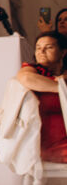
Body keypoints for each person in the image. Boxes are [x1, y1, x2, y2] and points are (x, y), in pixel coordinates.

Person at [16, 31, 67, 163]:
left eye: (49, 47)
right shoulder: (32, 70)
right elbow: (26, 78)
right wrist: (61, 89)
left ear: (63, 52)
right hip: (51, 143)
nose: (41, 52)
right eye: (38, 48)